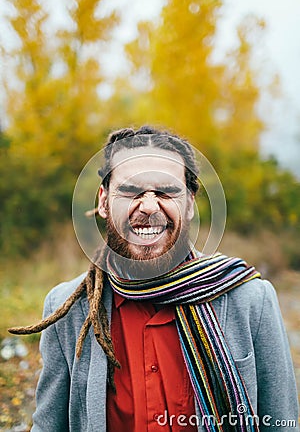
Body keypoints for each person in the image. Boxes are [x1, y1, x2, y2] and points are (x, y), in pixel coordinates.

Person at [9, 126, 299, 431]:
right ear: (104, 201)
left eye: (167, 191)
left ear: (189, 204)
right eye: (131, 191)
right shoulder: (68, 311)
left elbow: (282, 423)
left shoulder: (250, 300)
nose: (148, 207)